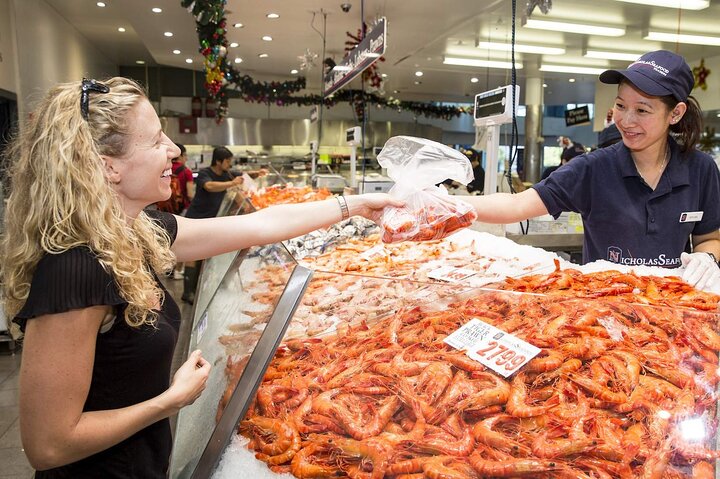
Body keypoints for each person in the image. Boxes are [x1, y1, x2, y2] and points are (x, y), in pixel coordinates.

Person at [0, 77, 400, 478]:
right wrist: (169, 401)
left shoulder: (137, 230)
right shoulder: (75, 267)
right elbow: (48, 445)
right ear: (109, 166)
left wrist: (356, 204)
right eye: (156, 141)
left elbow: (260, 226)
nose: (173, 150)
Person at [463, 50, 720, 290]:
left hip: (671, 309)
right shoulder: (593, 168)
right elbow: (516, 205)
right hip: (601, 310)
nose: (626, 121)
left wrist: (706, 257)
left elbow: (709, 237)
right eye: (620, 106)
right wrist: (446, 204)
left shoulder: (700, 169)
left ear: (675, 113)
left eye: (642, 110)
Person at [181, 145, 243, 303]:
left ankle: (199, 290)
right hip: (196, 218)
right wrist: (232, 184)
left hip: (211, 220)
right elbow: (209, 186)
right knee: (193, 255)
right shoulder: (205, 173)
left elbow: (242, 176)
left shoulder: (226, 174)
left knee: (203, 255)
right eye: (228, 161)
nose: (230, 164)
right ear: (219, 161)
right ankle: (188, 292)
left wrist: (257, 173)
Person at [171, 143, 194, 279]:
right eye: (185, 156)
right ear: (181, 155)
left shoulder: (164, 168)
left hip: (166, 208)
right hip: (182, 208)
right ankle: (178, 270)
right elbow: (190, 193)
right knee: (182, 239)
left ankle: (168, 268)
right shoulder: (186, 171)